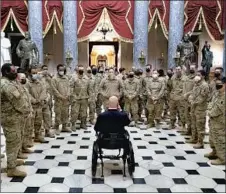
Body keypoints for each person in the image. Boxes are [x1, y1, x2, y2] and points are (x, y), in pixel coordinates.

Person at [1, 63, 30, 177]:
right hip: (10, 118)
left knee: (16, 140)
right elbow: (18, 102)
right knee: (12, 142)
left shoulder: (11, 82)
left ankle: (12, 161)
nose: (15, 73)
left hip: (15, 117)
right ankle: (11, 169)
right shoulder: (6, 85)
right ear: (6, 72)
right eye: (13, 71)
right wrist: (26, 111)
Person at [186, 70, 209, 149]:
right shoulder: (196, 84)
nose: (197, 76)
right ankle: (194, 138)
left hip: (200, 109)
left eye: (198, 75)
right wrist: (190, 98)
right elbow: (193, 93)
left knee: (200, 125)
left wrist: (193, 102)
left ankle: (200, 142)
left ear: (203, 76)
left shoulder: (205, 85)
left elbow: (202, 98)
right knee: (194, 123)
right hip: (194, 108)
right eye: (196, 74)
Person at [205, 79, 225, 165]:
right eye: (217, 84)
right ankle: (214, 152)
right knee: (212, 138)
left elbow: (219, 110)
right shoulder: (217, 93)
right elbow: (211, 103)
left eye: (220, 85)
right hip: (213, 120)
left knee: (220, 139)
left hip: (221, 122)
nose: (218, 86)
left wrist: (209, 112)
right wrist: (209, 109)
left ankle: (222, 158)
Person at [26, 67, 47, 143]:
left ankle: (38, 136)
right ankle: (28, 140)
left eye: (36, 73)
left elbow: (43, 91)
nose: (35, 75)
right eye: (33, 73)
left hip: (39, 106)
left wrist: (40, 99)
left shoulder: (39, 82)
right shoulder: (27, 83)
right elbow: (27, 94)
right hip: (31, 107)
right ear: (29, 73)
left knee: (38, 122)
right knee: (30, 124)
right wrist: (34, 100)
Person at [51, 64, 72, 135]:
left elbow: (69, 87)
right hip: (59, 100)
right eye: (60, 70)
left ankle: (64, 127)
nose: (61, 71)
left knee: (65, 113)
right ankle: (57, 127)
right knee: (58, 114)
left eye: (63, 70)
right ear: (57, 70)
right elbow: (54, 90)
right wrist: (61, 96)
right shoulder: (54, 79)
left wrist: (68, 94)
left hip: (66, 100)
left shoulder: (66, 78)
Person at [70, 66, 91, 130]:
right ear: (77, 70)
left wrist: (90, 97)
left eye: (82, 69)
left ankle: (83, 123)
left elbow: (89, 88)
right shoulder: (74, 78)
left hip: (85, 98)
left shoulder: (87, 78)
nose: (81, 71)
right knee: (75, 112)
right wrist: (72, 96)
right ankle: (73, 124)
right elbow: (71, 88)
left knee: (84, 112)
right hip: (76, 98)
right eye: (80, 69)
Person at [40, 65, 55, 138]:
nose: (45, 70)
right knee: (39, 116)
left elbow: (52, 86)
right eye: (44, 69)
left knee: (48, 114)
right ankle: (38, 132)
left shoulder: (49, 77)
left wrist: (50, 77)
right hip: (40, 99)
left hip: (48, 97)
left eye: (46, 69)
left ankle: (47, 130)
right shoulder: (39, 77)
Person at [182, 64, 196, 135]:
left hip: (192, 100)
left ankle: (193, 132)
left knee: (192, 116)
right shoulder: (187, 78)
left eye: (193, 68)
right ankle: (188, 129)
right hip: (186, 100)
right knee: (186, 115)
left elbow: (195, 89)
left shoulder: (196, 78)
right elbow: (184, 87)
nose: (191, 69)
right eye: (190, 68)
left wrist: (187, 94)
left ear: (195, 69)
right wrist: (184, 95)